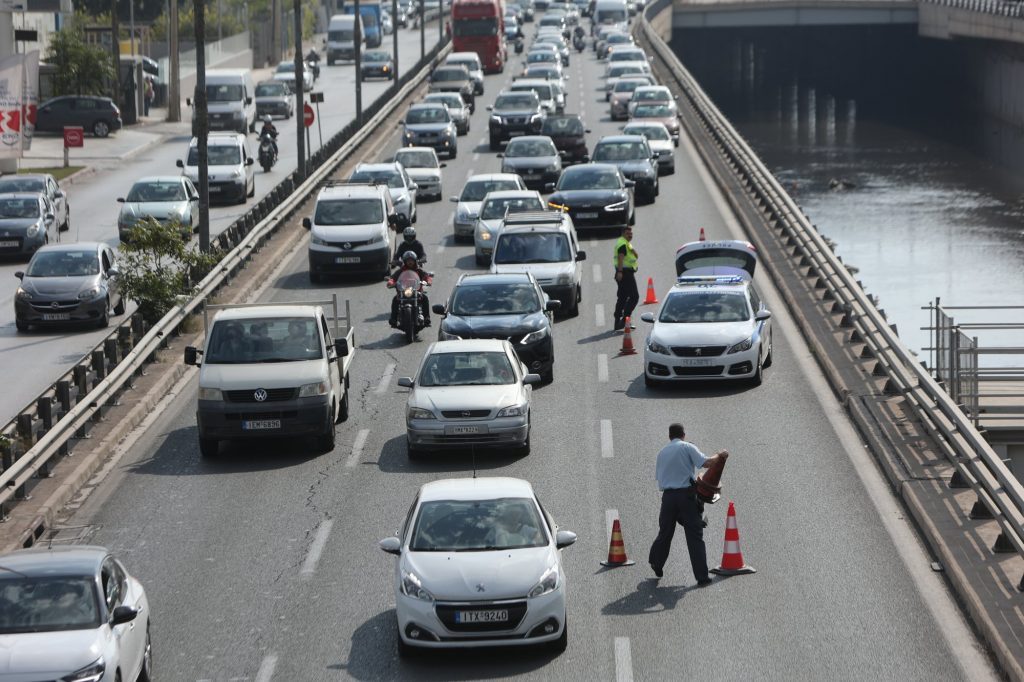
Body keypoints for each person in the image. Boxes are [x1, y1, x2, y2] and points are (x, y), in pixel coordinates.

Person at [648, 423, 729, 583]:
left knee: (665, 532)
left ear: (669, 436)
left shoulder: (662, 453)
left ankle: (656, 562)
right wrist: (719, 455)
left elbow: (659, 477)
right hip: (686, 496)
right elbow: (705, 463)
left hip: (668, 498)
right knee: (694, 536)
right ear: (683, 434)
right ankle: (702, 577)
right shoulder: (686, 447)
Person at [388, 251, 432, 328]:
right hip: (403, 292)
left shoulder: (419, 270)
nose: (410, 262)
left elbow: (426, 276)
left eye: (411, 260)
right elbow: (393, 278)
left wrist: (428, 281)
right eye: (408, 260)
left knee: (425, 298)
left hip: (416, 292)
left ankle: (426, 318)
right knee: (395, 299)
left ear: (415, 261)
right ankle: (393, 320)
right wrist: (391, 282)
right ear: (405, 261)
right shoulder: (400, 271)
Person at [612, 225, 639, 331]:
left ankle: (617, 321)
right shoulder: (623, 244)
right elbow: (621, 257)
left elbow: (635, 255)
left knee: (623, 297)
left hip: (623, 273)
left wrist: (634, 252)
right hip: (625, 273)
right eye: (628, 233)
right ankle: (625, 319)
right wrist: (620, 272)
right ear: (623, 233)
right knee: (634, 297)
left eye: (631, 233)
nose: (630, 235)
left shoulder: (624, 243)